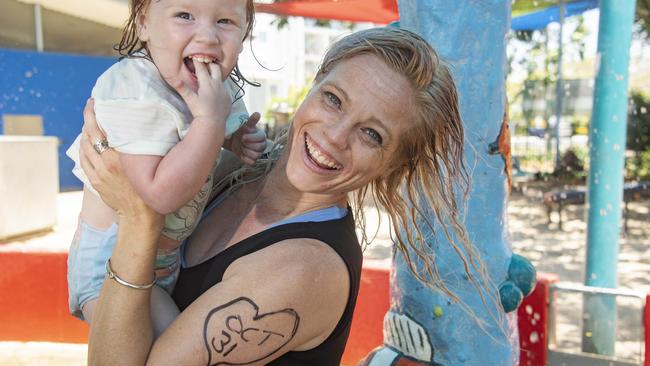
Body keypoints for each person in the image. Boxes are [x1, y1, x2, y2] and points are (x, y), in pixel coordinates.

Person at [80, 27, 492, 365]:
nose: (334, 136)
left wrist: (138, 218)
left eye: (372, 134)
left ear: (393, 167)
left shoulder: (306, 269)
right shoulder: (235, 170)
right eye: (333, 100)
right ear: (313, 87)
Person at [65, 0, 266, 332]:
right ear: (143, 23)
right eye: (184, 15)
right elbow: (157, 194)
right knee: (171, 346)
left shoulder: (219, 87)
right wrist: (210, 122)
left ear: (244, 34)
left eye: (225, 21)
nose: (208, 35)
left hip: (166, 261)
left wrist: (238, 140)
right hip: (110, 264)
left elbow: (220, 136)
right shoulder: (135, 89)